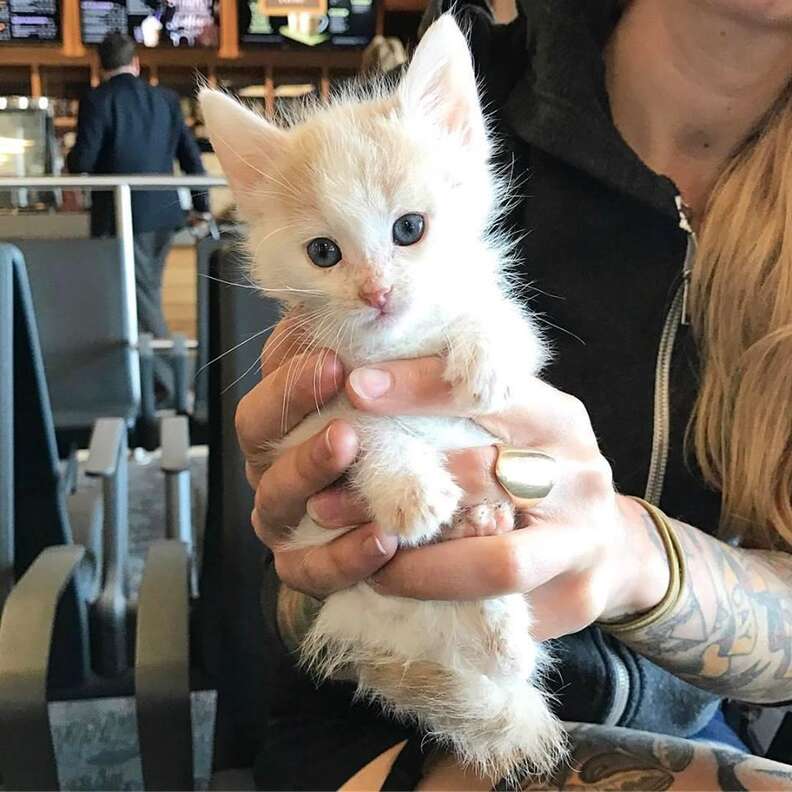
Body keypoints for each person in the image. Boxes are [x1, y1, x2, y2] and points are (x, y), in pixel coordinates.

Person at [235, 0, 792, 788]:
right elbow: (293, 593)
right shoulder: (431, 104)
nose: (376, 281)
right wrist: (313, 541)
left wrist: (637, 561)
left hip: (703, 714)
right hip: (382, 722)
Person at [67, 31, 210, 400]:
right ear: (136, 63)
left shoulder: (97, 100)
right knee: (145, 295)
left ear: (99, 66)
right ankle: (151, 382)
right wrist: (202, 207)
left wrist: (71, 159)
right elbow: (190, 158)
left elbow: (83, 159)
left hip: (122, 217)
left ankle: (178, 387)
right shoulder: (165, 100)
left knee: (141, 300)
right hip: (164, 216)